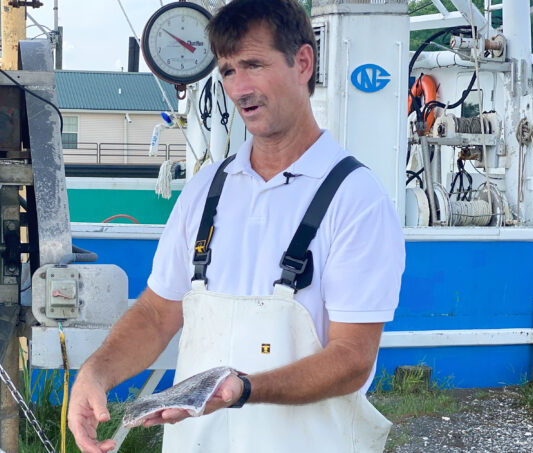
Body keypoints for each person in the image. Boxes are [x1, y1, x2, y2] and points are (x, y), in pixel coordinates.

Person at [68, 0, 405, 451]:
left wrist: (244, 389)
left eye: (253, 65)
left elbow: (351, 359)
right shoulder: (207, 190)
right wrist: (96, 373)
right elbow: (156, 313)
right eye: (227, 71)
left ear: (303, 62)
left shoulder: (356, 199)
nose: (239, 87)